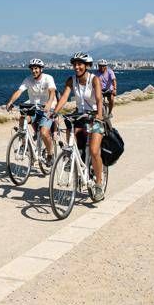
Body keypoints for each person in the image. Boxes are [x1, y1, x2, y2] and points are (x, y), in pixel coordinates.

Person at [51, 52, 106, 201]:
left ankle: (99, 184)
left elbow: (99, 99)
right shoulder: (71, 80)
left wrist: (99, 116)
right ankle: (72, 159)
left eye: (80, 64)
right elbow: (64, 97)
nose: (77, 67)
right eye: (75, 64)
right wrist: (55, 112)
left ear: (87, 65)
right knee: (70, 131)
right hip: (81, 115)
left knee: (94, 150)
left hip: (95, 115)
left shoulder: (93, 79)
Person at [5, 58, 57, 164]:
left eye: (36, 68)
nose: (34, 71)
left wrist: (49, 103)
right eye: (32, 69)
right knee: (22, 119)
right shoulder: (28, 80)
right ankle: (24, 144)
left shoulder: (48, 78)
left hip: (47, 108)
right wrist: (10, 102)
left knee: (44, 132)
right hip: (34, 108)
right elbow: (19, 91)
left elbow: (52, 92)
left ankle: (50, 154)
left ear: (41, 69)